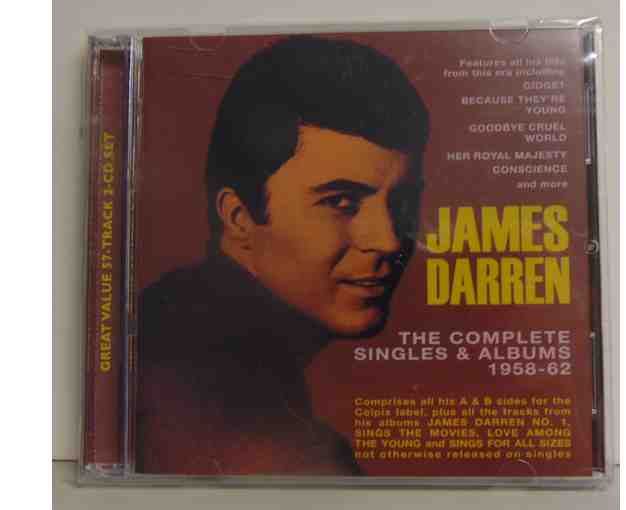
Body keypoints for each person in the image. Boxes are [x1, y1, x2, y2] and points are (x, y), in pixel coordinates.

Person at [136, 35, 430, 475]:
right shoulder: (204, 388)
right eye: (341, 202)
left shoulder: (186, 331)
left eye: (401, 202)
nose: (388, 240)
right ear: (239, 216)